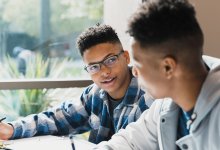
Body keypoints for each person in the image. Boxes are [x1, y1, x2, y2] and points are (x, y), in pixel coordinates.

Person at [95, 0, 220, 149]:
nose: (134, 71)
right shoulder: (167, 102)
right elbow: (130, 141)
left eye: (138, 64)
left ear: (168, 67)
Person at [0, 24, 153, 144]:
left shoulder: (149, 97)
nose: (104, 71)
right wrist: (11, 129)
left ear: (126, 57)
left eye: (111, 60)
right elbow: (57, 119)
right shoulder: (94, 95)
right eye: (94, 67)